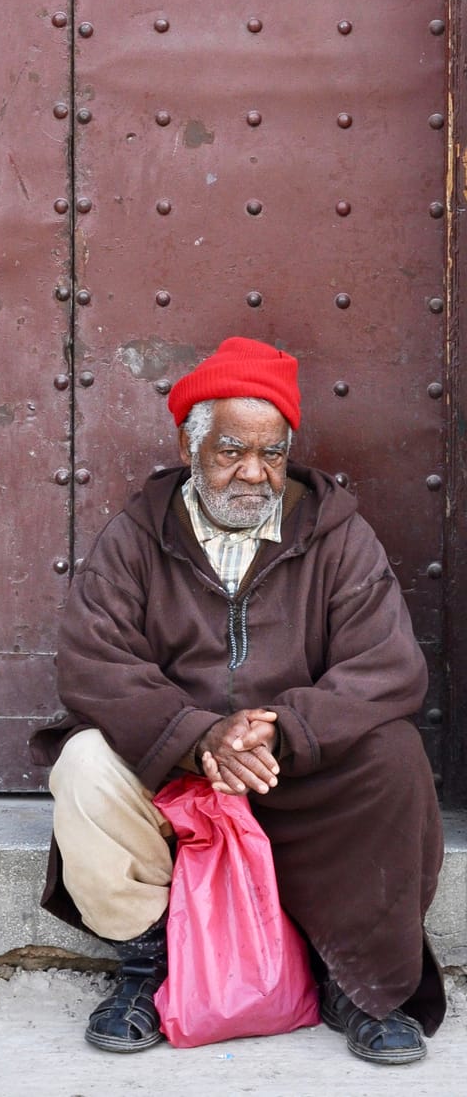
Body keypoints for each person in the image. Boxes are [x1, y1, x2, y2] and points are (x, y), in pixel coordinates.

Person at [30, 336, 445, 1064]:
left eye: (272, 453)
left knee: (394, 753)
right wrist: (199, 737)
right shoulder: (138, 535)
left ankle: (361, 982)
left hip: (292, 771)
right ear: (191, 447)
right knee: (85, 762)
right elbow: (94, 662)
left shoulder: (337, 537)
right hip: (174, 768)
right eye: (230, 451)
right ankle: (148, 965)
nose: (253, 472)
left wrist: (280, 731)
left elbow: (388, 664)